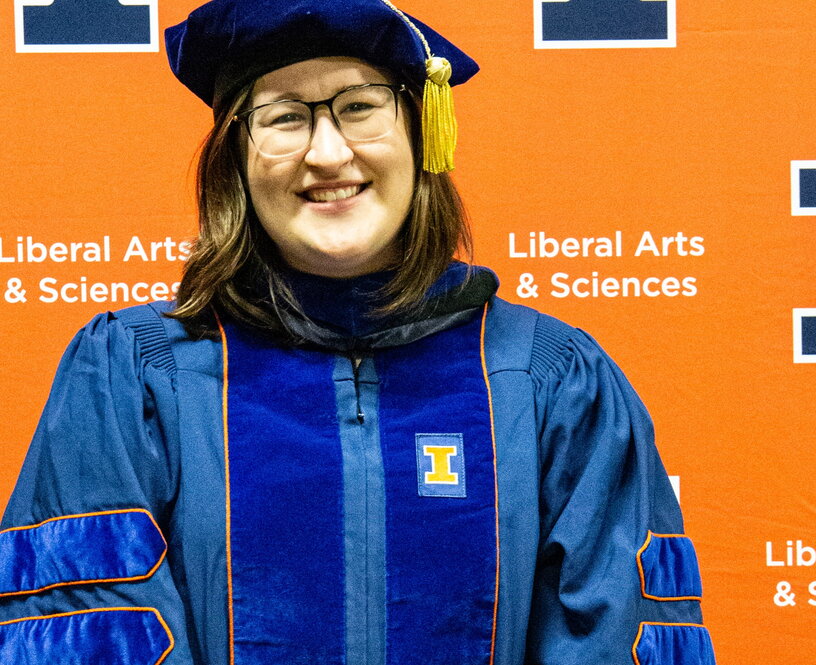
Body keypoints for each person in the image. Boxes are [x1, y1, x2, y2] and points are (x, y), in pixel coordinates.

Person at [0, 1, 714, 663]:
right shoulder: (136, 378)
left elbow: (615, 639)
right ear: (236, 162)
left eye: (360, 108)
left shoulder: (549, 381)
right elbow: (87, 631)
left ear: (419, 133)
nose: (329, 153)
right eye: (284, 118)